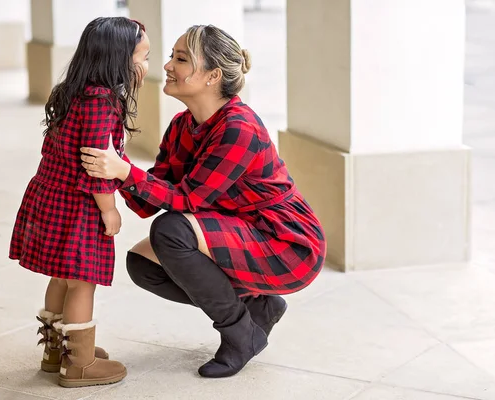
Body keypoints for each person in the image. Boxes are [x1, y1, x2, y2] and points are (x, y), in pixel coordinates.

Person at [80, 24, 326, 378]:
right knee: (143, 264)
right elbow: (147, 202)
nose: (167, 66)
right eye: (171, 57)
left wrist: (123, 172)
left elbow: (187, 200)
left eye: (180, 59)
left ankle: (240, 334)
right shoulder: (182, 125)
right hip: (239, 232)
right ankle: (260, 306)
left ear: (212, 76)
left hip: (286, 243)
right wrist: (109, 168)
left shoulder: (238, 127)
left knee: (171, 231)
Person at [9, 17, 150, 388]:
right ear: (119, 59)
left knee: (61, 274)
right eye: (142, 57)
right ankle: (81, 364)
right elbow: (96, 164)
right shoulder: (102, 104)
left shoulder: (72, 91)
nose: (145, 66)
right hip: (79, 204)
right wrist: (109, 209)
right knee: (82, 282)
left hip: (50, 195)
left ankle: (57, 351)